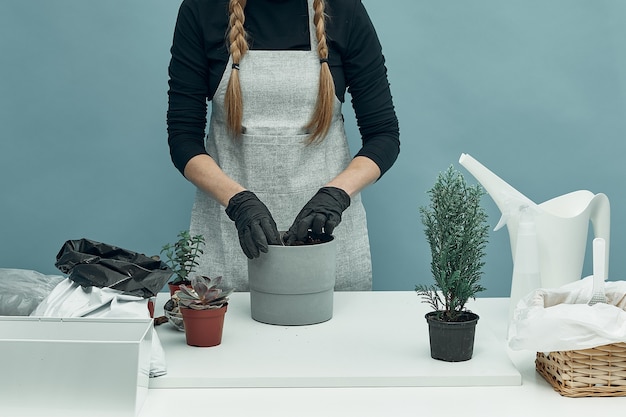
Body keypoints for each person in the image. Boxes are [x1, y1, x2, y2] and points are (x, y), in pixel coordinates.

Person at [166, 0, 400, 291]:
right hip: (230, 251)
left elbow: (384, 135)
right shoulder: (203, 10)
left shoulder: (344, 11)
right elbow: (183, 139)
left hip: (326, 248)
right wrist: (238, 203)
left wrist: (336, 196)